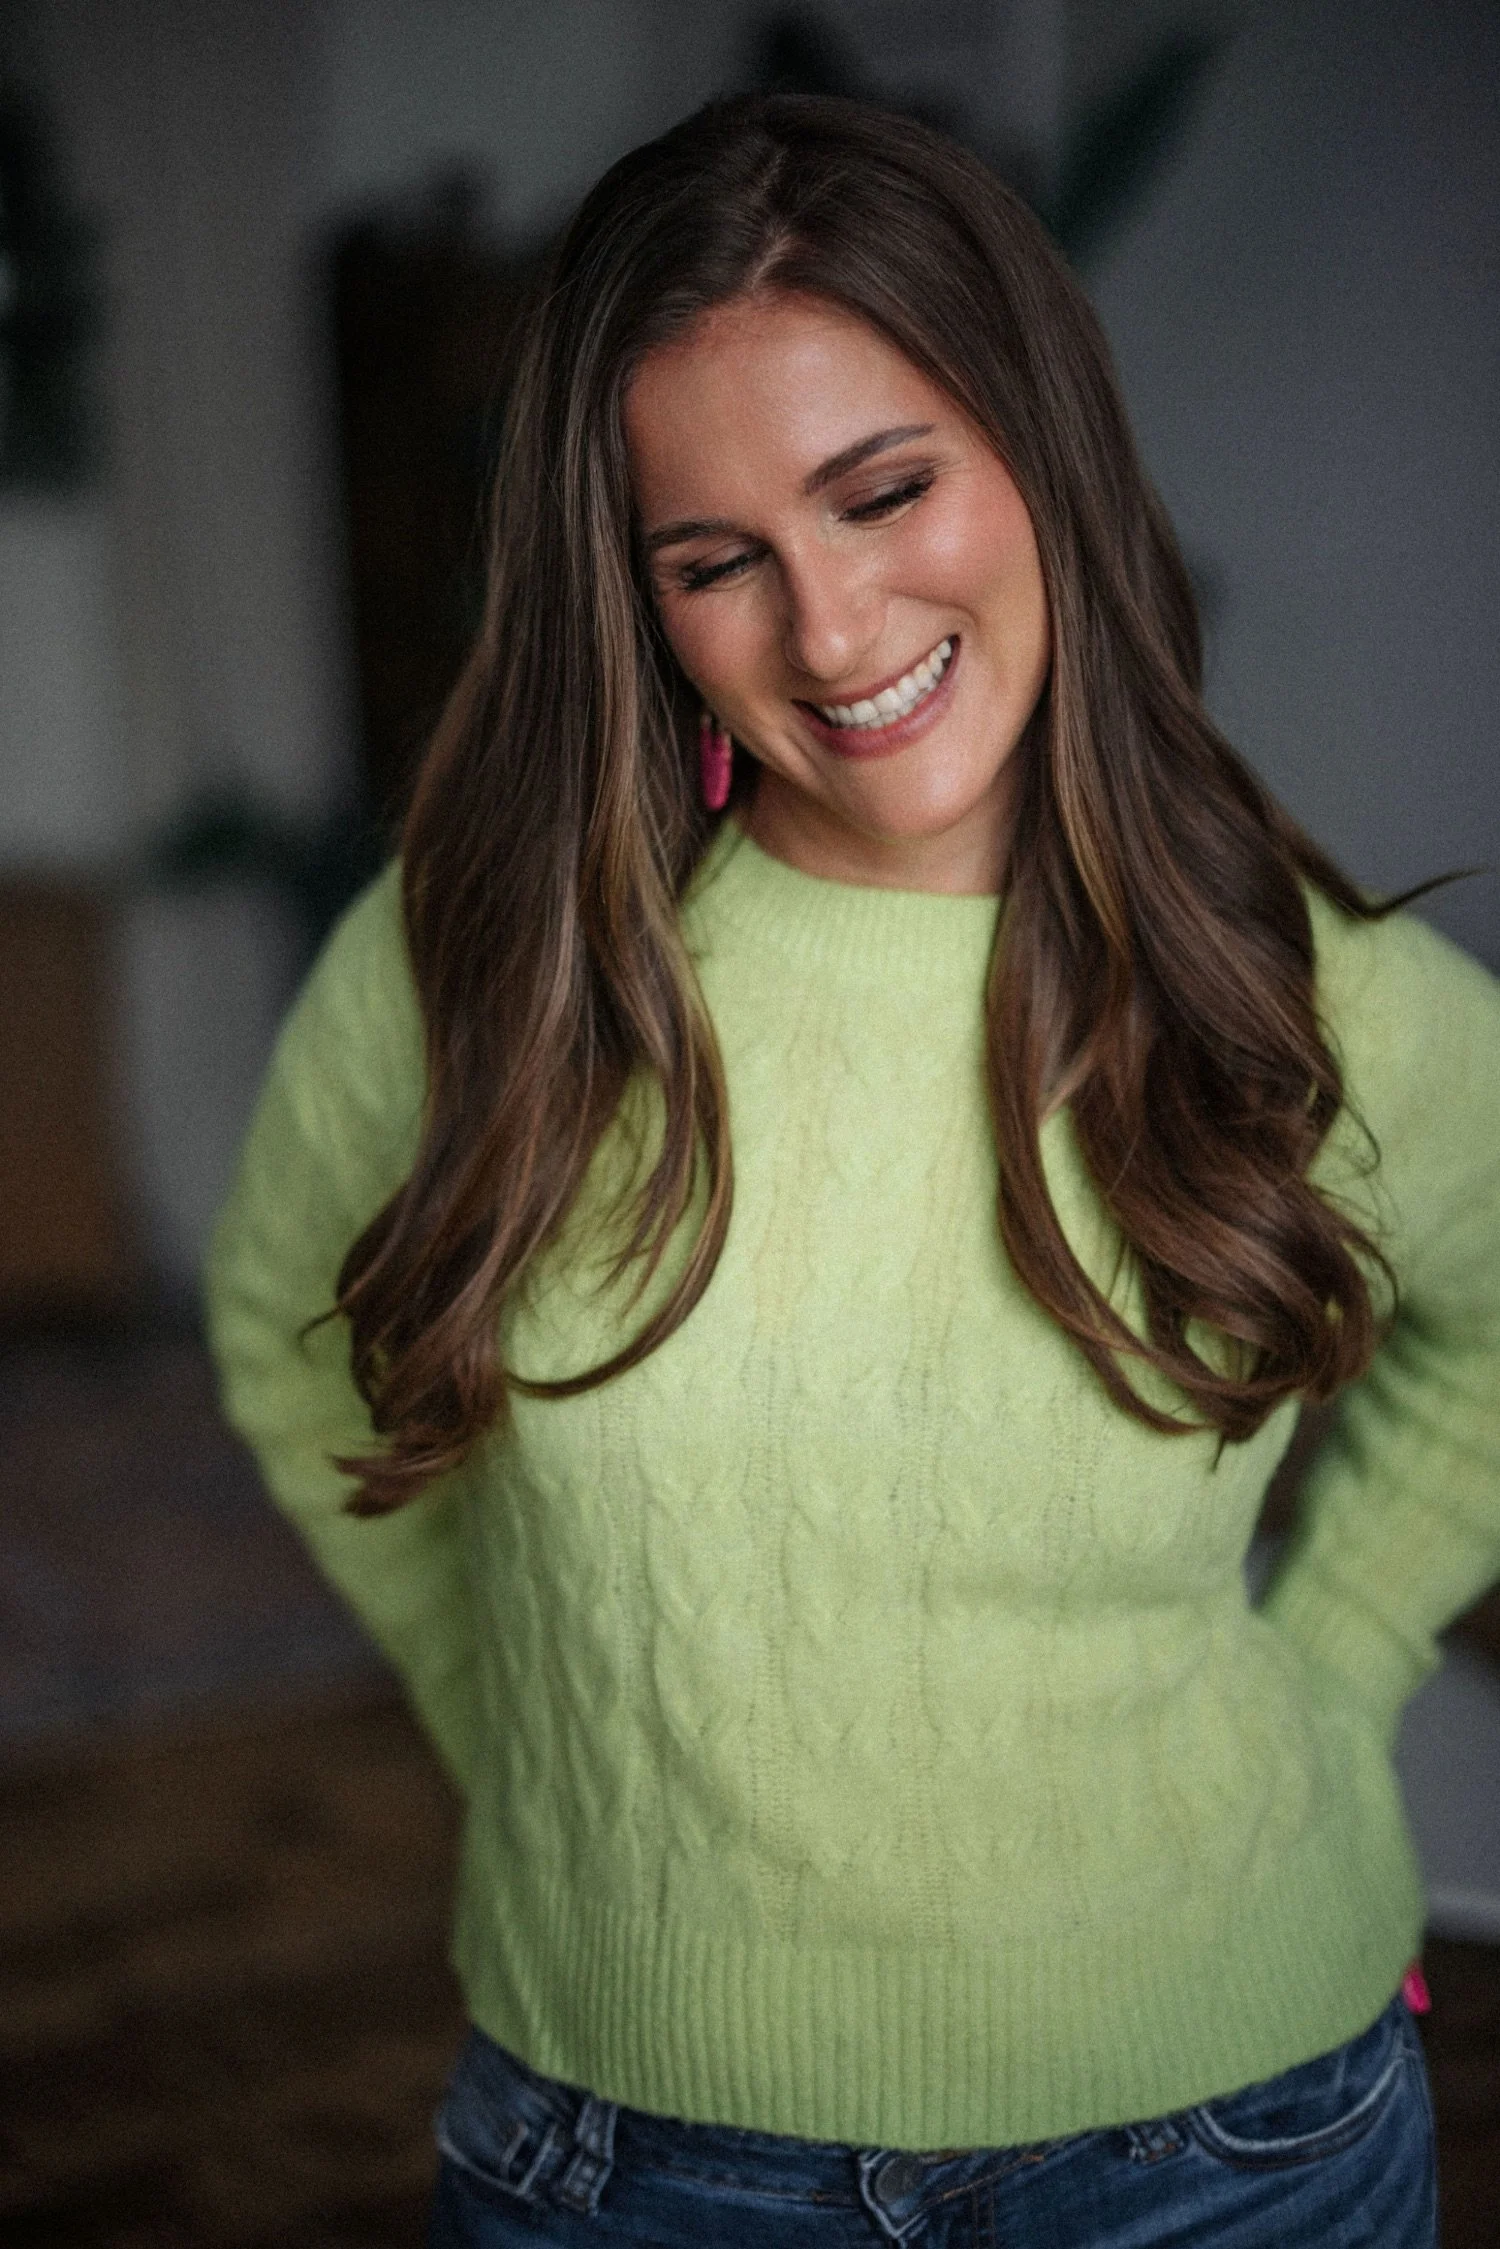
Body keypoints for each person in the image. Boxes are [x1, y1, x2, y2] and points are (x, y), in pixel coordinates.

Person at [205, 93, 1500, 2247]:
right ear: (639, 601)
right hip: (623, 2158)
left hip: (1230, 2141)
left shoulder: (1300, 991)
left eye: (882, 490)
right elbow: (281, 1326)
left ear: (1040, 454)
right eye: (717, 560)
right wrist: (534, 1738)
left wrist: (1339, 1655)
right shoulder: (491, 956)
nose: (829, 632)